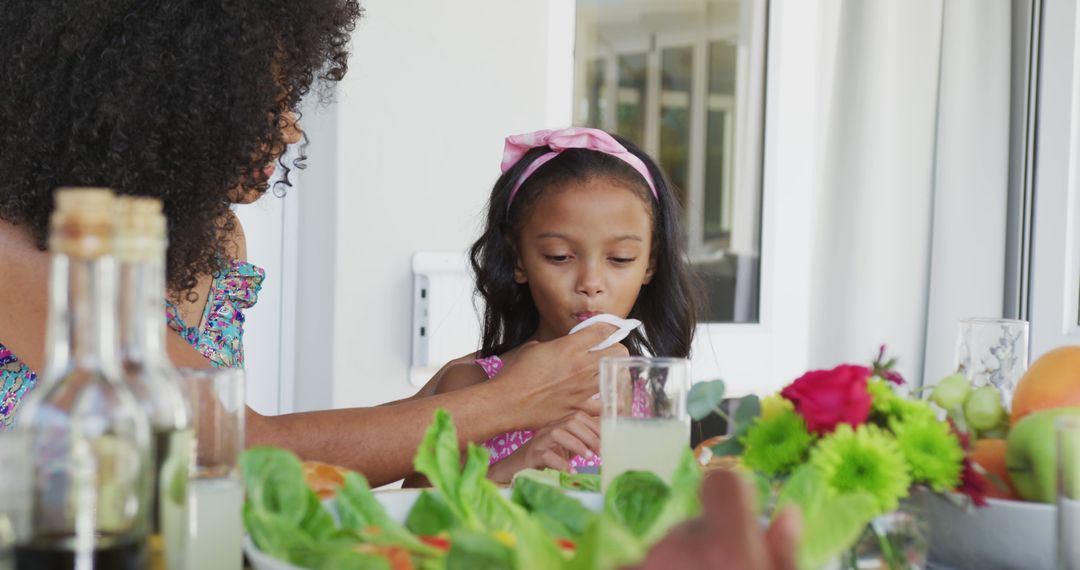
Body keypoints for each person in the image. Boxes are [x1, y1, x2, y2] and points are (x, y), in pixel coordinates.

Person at [0, 1, 802, 566]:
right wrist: (509, 402)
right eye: (269, 96)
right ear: (166, 96)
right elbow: (232, 452)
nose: (289, 126)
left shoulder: (214, 243)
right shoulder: (14, 251)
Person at [421, 127, 699, 483]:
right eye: (560, 256)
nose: (591, 284)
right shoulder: (471, 385)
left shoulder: (654, 391)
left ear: (650, 264)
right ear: (518, 260)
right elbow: (415, 516)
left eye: (620, 258)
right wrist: (509, 471)